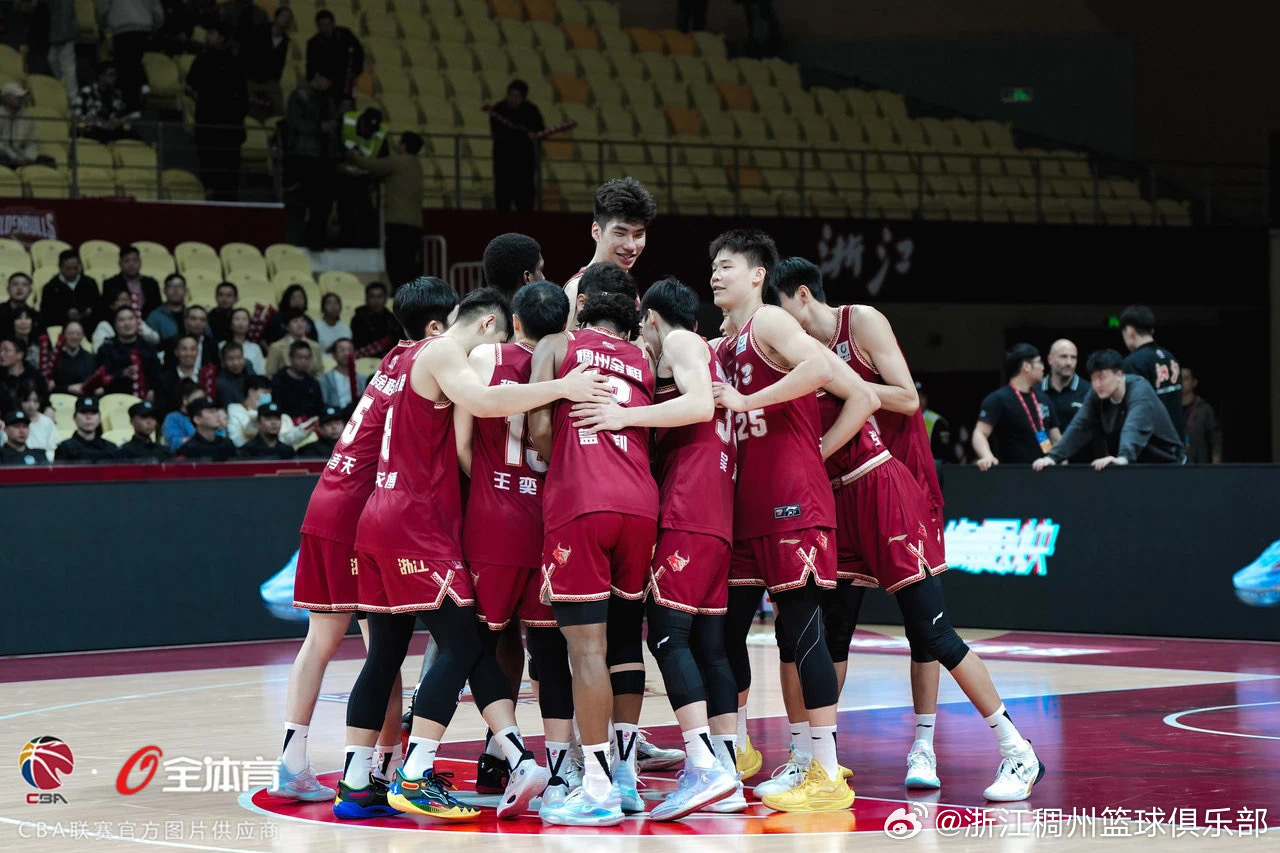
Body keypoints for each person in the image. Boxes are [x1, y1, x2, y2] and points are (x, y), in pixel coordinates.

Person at [341, 288, 607, 823]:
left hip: (378, 515)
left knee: (387, 654)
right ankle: (416, 775)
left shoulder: (403, 357)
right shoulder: (442, 350)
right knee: (464, 644)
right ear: (488, 325)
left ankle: (356, 783)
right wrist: (564, 385)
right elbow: (484, 403)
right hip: (415, 522)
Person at [270, 277, 458, 804]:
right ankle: (386, 765)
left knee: (321, 641)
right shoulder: (430, 363)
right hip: (360, 510)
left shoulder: (393, 359)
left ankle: (291, 762)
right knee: (383, 651)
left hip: (327, 497)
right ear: (436, 328)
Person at [708, 230, 875, 813]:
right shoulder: (724, 343)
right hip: (743, 507)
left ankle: (826, 770)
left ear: (758, 275)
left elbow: (834, 375)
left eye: (726, 266)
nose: (715, 275)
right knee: (727, 632)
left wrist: (807, 451)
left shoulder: (772, 322)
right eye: (713, 267)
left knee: (803, 631)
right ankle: (744, 752)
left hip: (790, 503)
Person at [567, 277, 742, 820]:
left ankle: (703, 766)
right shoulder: (704, 352)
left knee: (666, 638)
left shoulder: (683, 342)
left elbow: (698, 406)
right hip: (716, 515)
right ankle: (727, 774)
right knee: (710, 648)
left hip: (688, 511)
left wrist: (624, 416)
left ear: (650, 319)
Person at [773, 256, 948, 790]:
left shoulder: (861, 321)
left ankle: (924, 746)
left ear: (802, 295)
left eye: (780, 307)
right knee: (836, 622)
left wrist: (844, 384)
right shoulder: (799, 351)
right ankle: (821, 751)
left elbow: (907, 397)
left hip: (898, 476)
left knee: (924, 626)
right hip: (845, 487)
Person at [527, 277, 658, 826]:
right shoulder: (644, 357)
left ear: (581, 319)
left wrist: (566, 458)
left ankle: (597, 786)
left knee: (585, 651)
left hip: (583, 500)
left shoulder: (558, 344)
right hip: (642, 504)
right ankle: (625, 778)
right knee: (626, 641)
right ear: (628, 327)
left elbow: (537, 424)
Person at [455, 282, 577, 804]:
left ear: (517, 322)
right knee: (549, 651)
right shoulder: (571, 366)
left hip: (493, 518)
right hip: (549, 519)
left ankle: (503, 754)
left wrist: (489, 484)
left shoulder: (488, 356)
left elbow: (462, 444)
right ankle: (561, 772)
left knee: (482, 643)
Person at [1034, 349, 1185, 469]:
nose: (1097, 384)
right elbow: (1079, 425)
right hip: (1136, 466)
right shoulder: (1096, 395)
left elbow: (1134, 426)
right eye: (1093, 379)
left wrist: (1123, 457)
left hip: (1169, 464)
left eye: (1102, 377)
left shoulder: (1140, 391)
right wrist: (1053, 457)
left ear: (1119, 374)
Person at [562, 178, 657, 330]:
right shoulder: (577, 288)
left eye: (638, 235)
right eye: (620, 234)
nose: (631, 246)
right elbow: (569, 345)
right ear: (596, 231)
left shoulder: (628, 287)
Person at [349, 132, 424, 286]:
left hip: (398, 222)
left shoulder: (397, 161)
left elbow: (369, 165)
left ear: (404, 146)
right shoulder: (417, 165)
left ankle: (398, 293)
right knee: (409, 265)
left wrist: (353, 155)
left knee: (395, 264)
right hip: (415, 224)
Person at [185, 24, 249, 201]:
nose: (207, 36)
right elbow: (191, 84)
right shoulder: (205, 59)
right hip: (214, 125)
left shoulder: (231, 60)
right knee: (213, 171)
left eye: (211, 33)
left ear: (222, 37)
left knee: (224, 173)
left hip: (224, 125)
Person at [972, 343, 1060, 470]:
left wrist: (1062, 460)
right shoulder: (998, 399)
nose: (1043, 367)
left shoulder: (1044, 398)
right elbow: (980, 433)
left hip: (1046, 471)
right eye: (1039, 362)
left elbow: (1055, 437)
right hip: (1012, 474)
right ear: (1026, 366)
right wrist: (987, 456)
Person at [284, 70, 340, 250]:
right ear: (317, 76)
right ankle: (301, 240)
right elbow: (294, 122)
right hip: (305, 156)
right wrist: (319, 127)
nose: (328, 84)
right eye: (326, 79)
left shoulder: (328, 99)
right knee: (304, 201)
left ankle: (317, 240)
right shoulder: (300, 95)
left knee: (323, 204)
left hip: (324, 158)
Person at [1119, 305, 1185, 440]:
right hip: (1177, 438)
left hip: (1154, 443)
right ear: (1152, 330)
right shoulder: (1170, 357)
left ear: (1130, 331)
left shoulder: (1133, 363)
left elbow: (1136, 410)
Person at [488, 80, 545, 213]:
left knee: (524, 202)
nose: (513, 99)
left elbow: (540, 130)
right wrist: (524, 135)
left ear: (523, 98)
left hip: (525, 164)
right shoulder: (499, 109)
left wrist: (535, 136)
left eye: (517, 96)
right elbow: (498, 133)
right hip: (503, 163)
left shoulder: (532, 111)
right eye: (511, 95)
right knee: (503, 201)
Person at [1039, 338, 1097, 464]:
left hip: (1084, 465)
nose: (1069, 362)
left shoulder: (1089, 390)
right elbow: (1037, 429)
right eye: (1063, 357)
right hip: (1046, 464)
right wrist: (1050, 452)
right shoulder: (1037, 392)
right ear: (1050, 359)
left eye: (1073, 357)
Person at [94, 2, 161, 108]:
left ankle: (129, 101)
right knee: (134, 62)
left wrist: (101, 25)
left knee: (124, 65)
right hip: (143, 29)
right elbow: (157, 11)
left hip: (121, 28)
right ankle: (141, 91)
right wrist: (155, 28)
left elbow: (103, 7)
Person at [96, 304, 162, 398]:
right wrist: (122, 374)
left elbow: (158, 375)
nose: (127, 323)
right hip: (116, 397)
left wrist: (153, 390)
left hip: (147, 399)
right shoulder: (106, 349)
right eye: (121, 320)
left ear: (137, 322)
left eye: (131, 319)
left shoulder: (149, 347)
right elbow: (102, 378)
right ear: (115, 325)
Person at [228, 375, 312, 447]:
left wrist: (303, 430)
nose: (268, 396)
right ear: (251, 392)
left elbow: (288, 439)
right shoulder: (235, 410)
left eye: (269, 393)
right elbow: (236, 439)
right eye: (265, 392)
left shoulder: (283, 417)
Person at [244, 7, 292, 121]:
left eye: (289, 17)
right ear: (276, 18)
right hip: (252, 78)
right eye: (284, 16)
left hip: (270, 81)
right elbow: (248, 54)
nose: (286, 19)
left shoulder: (285, 41)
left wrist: (275, 79)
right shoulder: (260, 31)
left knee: (280, 111)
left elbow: (280, 64)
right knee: (246, 108)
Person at [305, 10, 364, 102]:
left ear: (333, 24)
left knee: (348, 105)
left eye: (328, 24)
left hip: (346, 81)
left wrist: (355, 72)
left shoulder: (345, 34)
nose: (326, 28)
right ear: (318, 27)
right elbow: (310, 66)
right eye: (322, 25)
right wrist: (317, 80)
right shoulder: (313, 43)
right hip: (325, 84)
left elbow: (359, 52)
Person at [73, 61, 137, 142]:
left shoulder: (116, 94)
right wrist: (99, 123)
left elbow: (120, 114)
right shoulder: (87, 92)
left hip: (111, 131)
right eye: (111, 75)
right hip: (92, 130)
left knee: (134, 136)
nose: (114, 78)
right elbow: (77, 115)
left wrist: (118, 122)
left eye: (115, 75)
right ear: (101, 76)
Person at [99, 245, 163, 321]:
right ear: (120, 264)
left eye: (135, 260)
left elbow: (158, 308)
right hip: (121, 323)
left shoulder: (151, 283)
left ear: (140, 262)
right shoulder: (110, 284)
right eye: (126, 261)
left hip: (149, 323)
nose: (131, 264)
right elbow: (105, 311)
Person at [41, 250, 100, 330]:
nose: (72, 272)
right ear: (60, 267)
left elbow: (99, 306)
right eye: (68, 269)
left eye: (76, 268)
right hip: (61, 328)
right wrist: (66, 314)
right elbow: (46, 314)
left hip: (89, 327)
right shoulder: (50, 288)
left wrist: (89, 311)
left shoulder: (90, 283)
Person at [56, 396, 119, 463]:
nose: (89, 417)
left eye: (93, 413)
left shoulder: (111, 448)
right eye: (83, 412)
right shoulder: (64, 448)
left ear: (100, 418)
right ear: (74, 418)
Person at [1180, 366, 1222, 464]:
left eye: (1186, 378)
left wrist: (1216, 468)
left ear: (1194, 382)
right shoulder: (1172, 409)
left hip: (1199, 464)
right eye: (1179, 379)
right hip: (1176, 465)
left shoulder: (1204, 409)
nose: (1181, 382)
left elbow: (1216, 441)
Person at [272, 340, 325, 418]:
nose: (303, 361)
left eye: (307, 358)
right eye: (299, 357)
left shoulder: (313, 383)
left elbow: (319, 409)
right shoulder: (278, 379)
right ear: (290, 358)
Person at [266, 311, 325, 377]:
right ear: (287, 327)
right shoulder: (276, 347)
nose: (300, 325)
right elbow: (270, 374)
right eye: (295, 321)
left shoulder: (315, 346)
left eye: (303, 321)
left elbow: (319, 372)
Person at [350, 282, 402, 355]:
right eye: (372, 296)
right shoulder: (358, 319)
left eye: (379, 296)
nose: (376, 300)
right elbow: (358, 345)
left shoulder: (393, 320)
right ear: (366, 298)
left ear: (385, 299)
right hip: (364, 358)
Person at [157, 335, 207, 411]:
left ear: (198, 352)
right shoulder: (164, 380)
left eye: (193, 349)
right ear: (176, 352)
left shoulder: (206, 376)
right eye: (184, 349)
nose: (189, 353)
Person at [161, 305, 219, 369]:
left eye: (202, 320)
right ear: (185, 321)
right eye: (193, 319)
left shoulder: (212, 344)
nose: (198, 323)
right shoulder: (172, 343)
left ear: (206, 323)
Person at [0, 338, 49, 410]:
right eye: (0, 351)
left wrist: (48, 409)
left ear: (20, 355)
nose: (1, 354)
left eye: (6, 351)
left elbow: (45, 400)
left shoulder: (35, 375)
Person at [0, 82, 40, 168]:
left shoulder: (28, 118)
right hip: (5, 154)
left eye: (21, 97)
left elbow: (32, 142)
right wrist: (13, 156)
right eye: (17, 96)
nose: (21, 99)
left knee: (49, 161)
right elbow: (2, 144)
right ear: (6, 98)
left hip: (20, 156)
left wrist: (29, 157)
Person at [319, 338, 367, 409]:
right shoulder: (326, 378)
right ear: (334, 355)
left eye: (350, 350)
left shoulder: (362, 378)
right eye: (342, 350)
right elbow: (324, 403)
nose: (346, 353)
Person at [47, 0, 81, 96]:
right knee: (52, 59)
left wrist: (62, 36)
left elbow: (66, 14)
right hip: (59, 31)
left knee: (67, 64)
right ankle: (64, 88)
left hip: (65, 32)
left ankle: (73, 96)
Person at [52, 321, 97, 394]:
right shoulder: (54, 358)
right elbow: (50, 387)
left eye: (78, 334)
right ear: (63, 335)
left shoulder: (90, 358)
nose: (75, 336)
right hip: (62, 396)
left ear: (83, 336)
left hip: (84, 396)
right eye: (71, 333)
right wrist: (68, 388)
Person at [15, 383, 59, 455]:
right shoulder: (12, 423)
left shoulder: (47, 422)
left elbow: (53, 447)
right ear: (19, 401)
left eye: (35, 401)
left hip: (43, 460)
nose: (31, 405)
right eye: (26, 400)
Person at [162, 379, 205, 450]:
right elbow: (174, 443)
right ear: (185, 400)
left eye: (203, 400)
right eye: (198, 400)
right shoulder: (173, 418)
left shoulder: (205, 416)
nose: (202, 403)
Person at [221, 307, 266, 375]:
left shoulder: (255, 348)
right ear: (231, 324)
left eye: (244, 319)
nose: (241, 322)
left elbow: (260, 372)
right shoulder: (222, 345)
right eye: (237, 319)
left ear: (249, 325)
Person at [146, 274, 190, 341]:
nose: (175, 290)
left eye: (179, 286)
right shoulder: (154, 317)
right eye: (171, 286)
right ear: (164, 291)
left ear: (186, 291)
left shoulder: (192, 315)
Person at [0, 272, 36, 339]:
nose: (20, 288)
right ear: (8, 289)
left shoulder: (35, 315)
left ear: (30, 291)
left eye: (24, 285)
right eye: (15, 284)